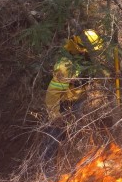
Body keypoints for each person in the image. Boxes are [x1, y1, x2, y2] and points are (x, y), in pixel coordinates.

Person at [43, 30, 107, 161]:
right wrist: (54, 115)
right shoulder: (65, 66)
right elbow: (53, 93)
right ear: (81, 48)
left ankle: (74, 160)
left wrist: (108, 76)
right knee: (54, 137)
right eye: (91, 50)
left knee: (76, 133)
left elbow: (94, 75)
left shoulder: (84, 58)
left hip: (79, 101)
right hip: (63, 105)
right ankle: (46, 167)